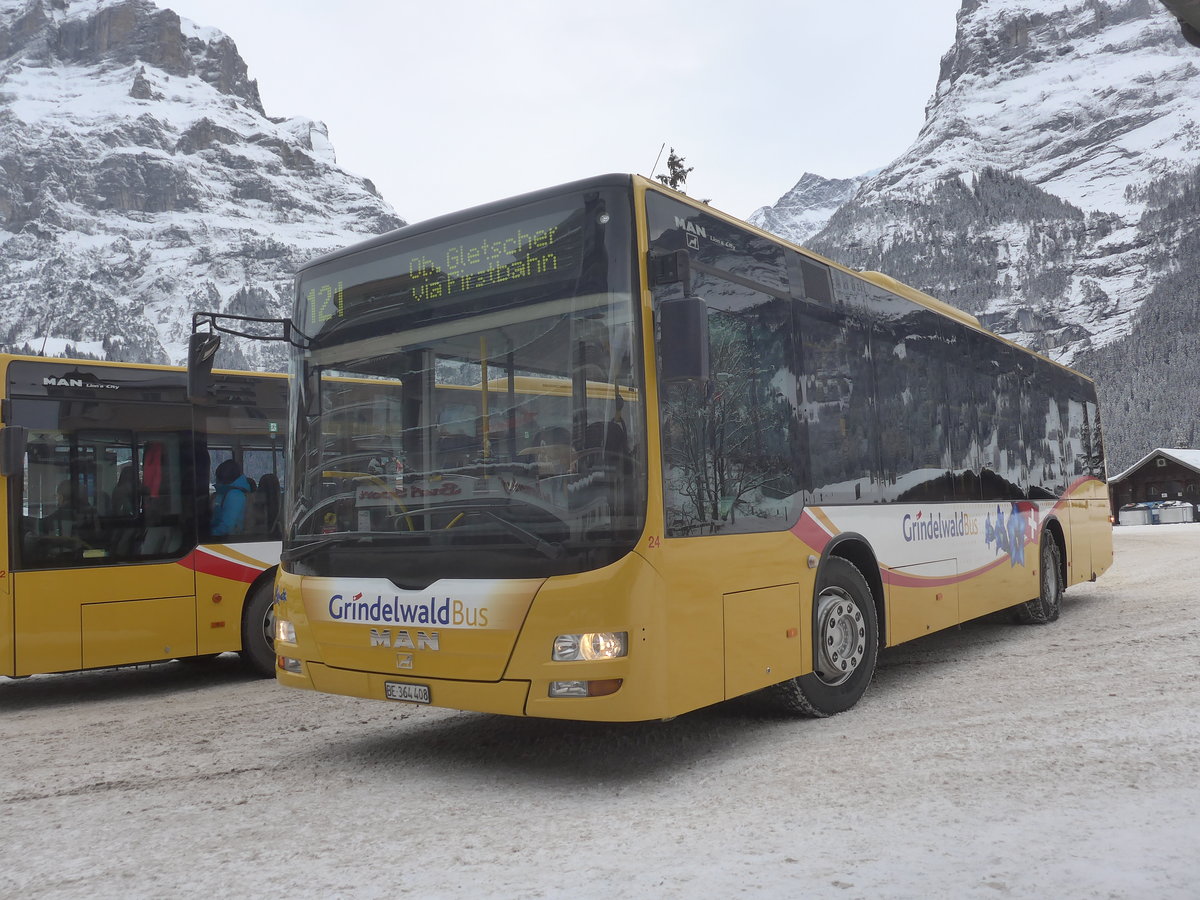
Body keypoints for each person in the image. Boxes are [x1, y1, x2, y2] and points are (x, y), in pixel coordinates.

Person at [211, 459, 253, 536]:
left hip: (228, 539)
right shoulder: (228, 493)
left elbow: (227, 527)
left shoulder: (235, 495)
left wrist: (207, 535)